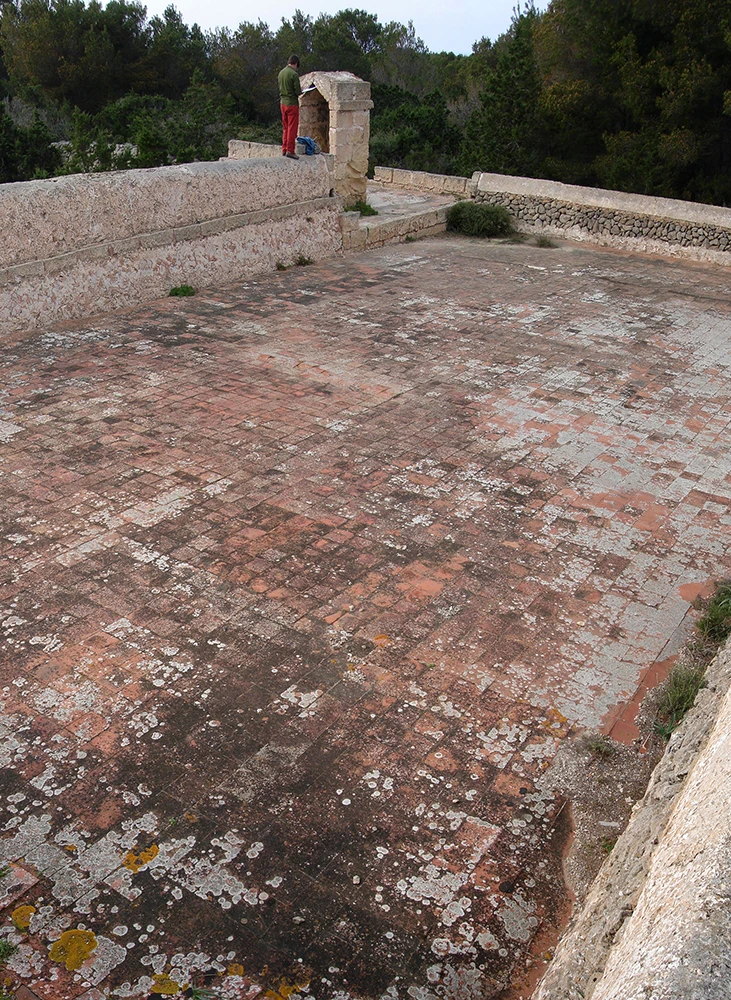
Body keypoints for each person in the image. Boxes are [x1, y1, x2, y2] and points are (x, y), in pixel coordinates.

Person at [278, 55, 302, 159]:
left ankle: (284, 149)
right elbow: (297, 91)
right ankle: (290, 150)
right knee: (292, 128)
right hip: (292, 104)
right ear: (296, 64)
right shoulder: (294, 74)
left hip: (283, 103)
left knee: (285, 128)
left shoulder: (281, 73)